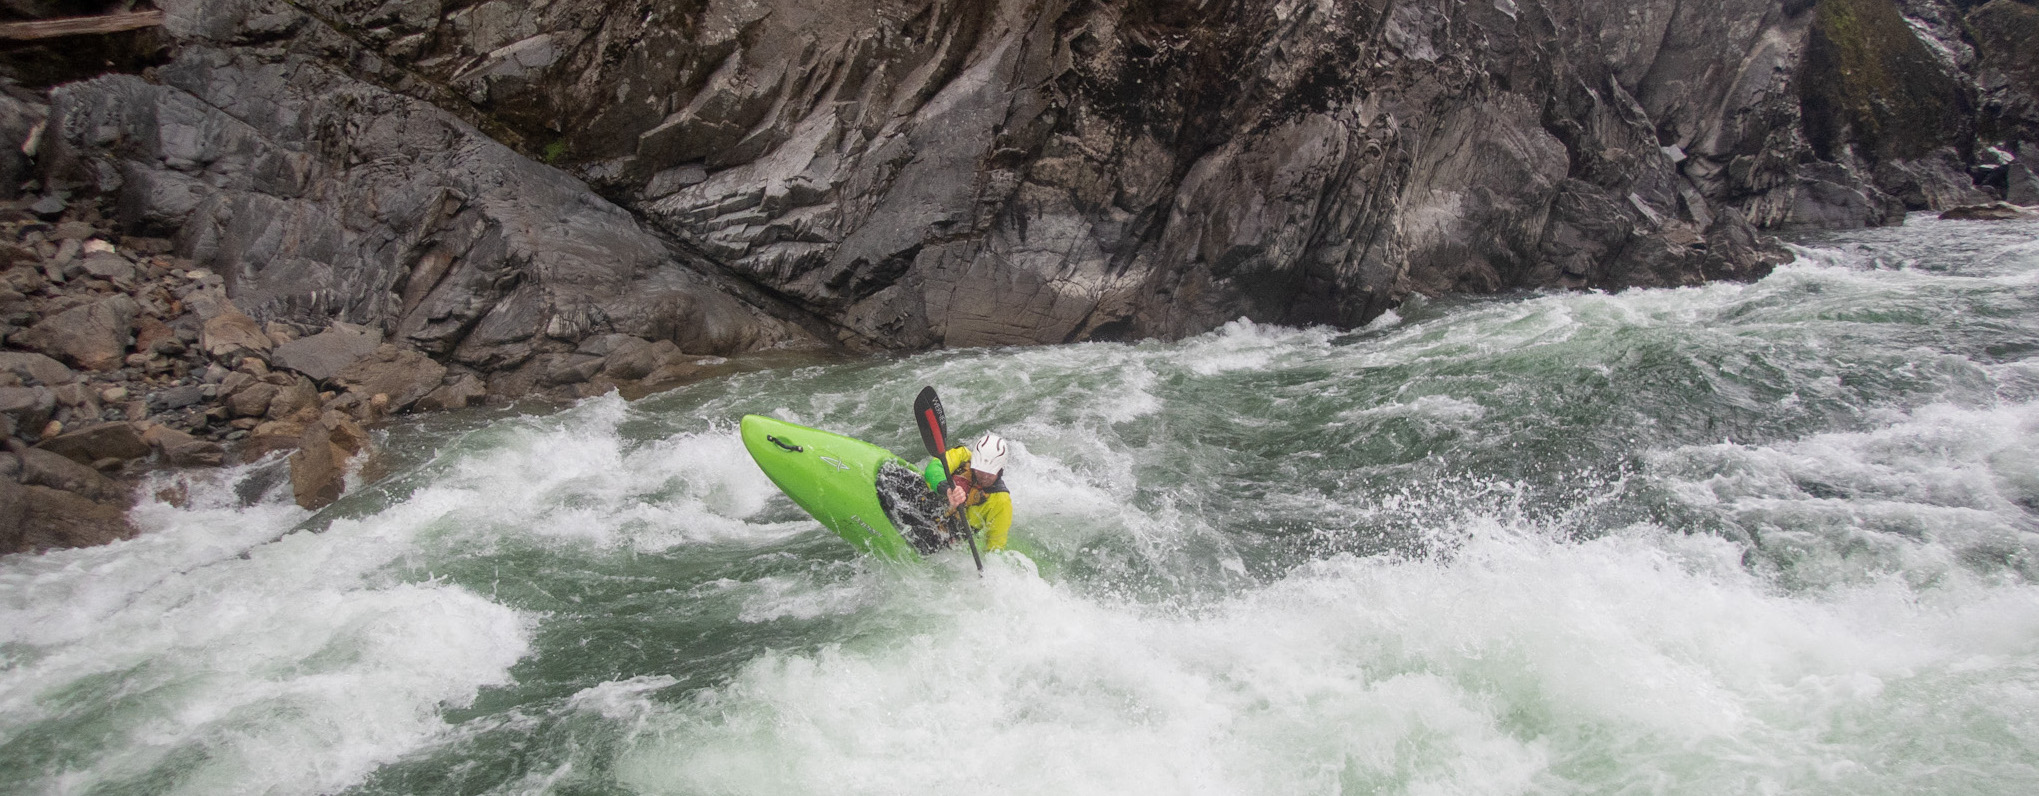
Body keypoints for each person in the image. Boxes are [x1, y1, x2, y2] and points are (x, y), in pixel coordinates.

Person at [937, 432, 1013, 552]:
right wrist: (947, 488)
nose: (984, 477)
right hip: (932, 503)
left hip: (945, 536)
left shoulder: (1001, 502)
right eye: (980, 471)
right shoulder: (962, 455)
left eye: (990, 472)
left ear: (1000, 469)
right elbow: (934, 468)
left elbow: (995, 546)